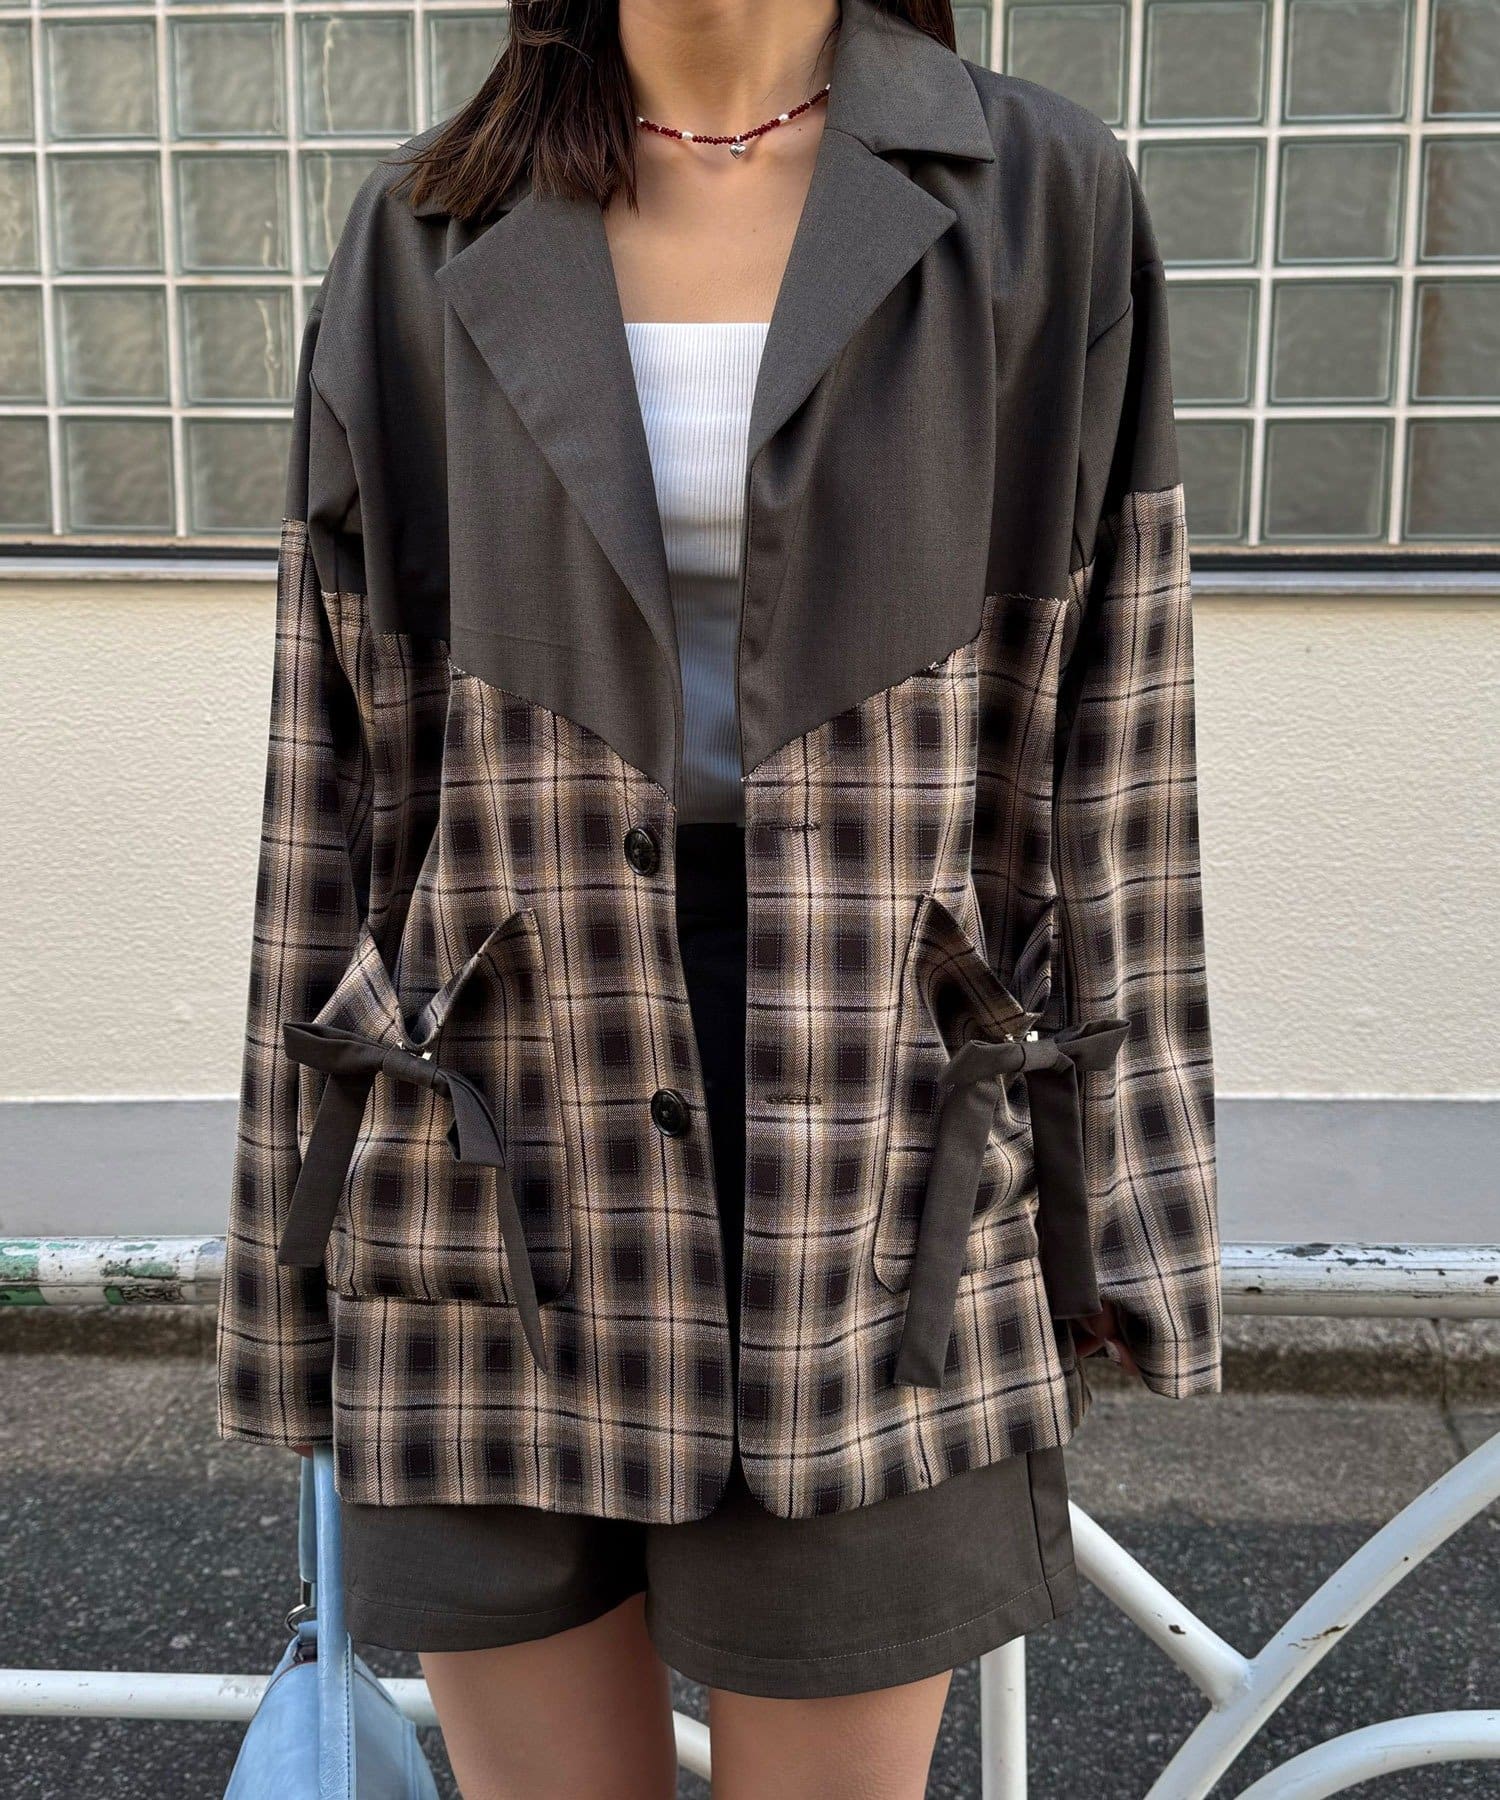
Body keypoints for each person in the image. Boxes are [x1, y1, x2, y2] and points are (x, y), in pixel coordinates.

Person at [214, 1, 1222, 1793]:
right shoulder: (431, 223)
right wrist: (280, 1267)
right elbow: (337, 767)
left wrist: (1133, 1218)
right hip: (500, 1140)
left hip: (879, 1136)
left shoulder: (1036, 196)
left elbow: (1117, 736)